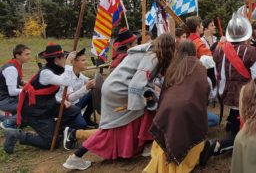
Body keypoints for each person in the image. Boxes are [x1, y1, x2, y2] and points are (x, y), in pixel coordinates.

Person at [62, 34, 176, 171]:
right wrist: (143, 103)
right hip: (120, 91)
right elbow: (137, 84)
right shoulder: (152, 57)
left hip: (116, 88)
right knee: (111, 128)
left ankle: (146, 142)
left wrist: (151, 94)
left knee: (134, 116)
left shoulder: (147, 51)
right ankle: (75, 157)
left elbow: (139, 80)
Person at [143, 41, 210, 172]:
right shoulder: (199, 66)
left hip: (167, 110)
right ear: (194, 52)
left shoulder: (173, 67)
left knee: (168, 136)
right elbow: (205, 90)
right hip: (188, 110)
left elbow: (163, 94)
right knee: (199, 127)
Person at [3, 43, 80, 154]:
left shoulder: (57, 69)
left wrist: (62, 101)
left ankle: (55, 132)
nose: (64, 60)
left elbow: (50, 92)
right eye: (63, 57)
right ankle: (17, 135)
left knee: (73, 111)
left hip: (48, 105)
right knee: (49, 142)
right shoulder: (46, 73)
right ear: (57, 59)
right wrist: (68, 64)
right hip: (35, 111)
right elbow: (66, 81)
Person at [206, 13, 256, 157]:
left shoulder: (219, 50)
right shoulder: (251, 51)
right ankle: (216, 146)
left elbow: (217, 73)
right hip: (244, 96)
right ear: (246, 33)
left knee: (236, 116)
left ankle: (232, 123)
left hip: (226, 94)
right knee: (241, 133)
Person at [55, 48, 96, 129]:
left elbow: (88, 80)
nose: (86, 62)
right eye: (83, 60)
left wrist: (94, 82)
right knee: (81, 125)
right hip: (65, 107)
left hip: (76, 104)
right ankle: (61, 123)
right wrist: (86, 87)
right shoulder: (66, 77)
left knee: (92, 93)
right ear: (74, 62)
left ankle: (86, 118)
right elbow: (70, 98)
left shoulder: (79, 75)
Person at [0, 44, 31, 129]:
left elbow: (19, 81)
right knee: (31, 108)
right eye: (26, 54)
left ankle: (6, 117)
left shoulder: (16, 64)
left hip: (10, 99)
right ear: (17, 55)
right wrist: (29, 90)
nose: (29, 57)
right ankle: (7, 122)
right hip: (5, 100)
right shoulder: (11, 69)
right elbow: (12, 91)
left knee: (29, 115)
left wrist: (30, 84)